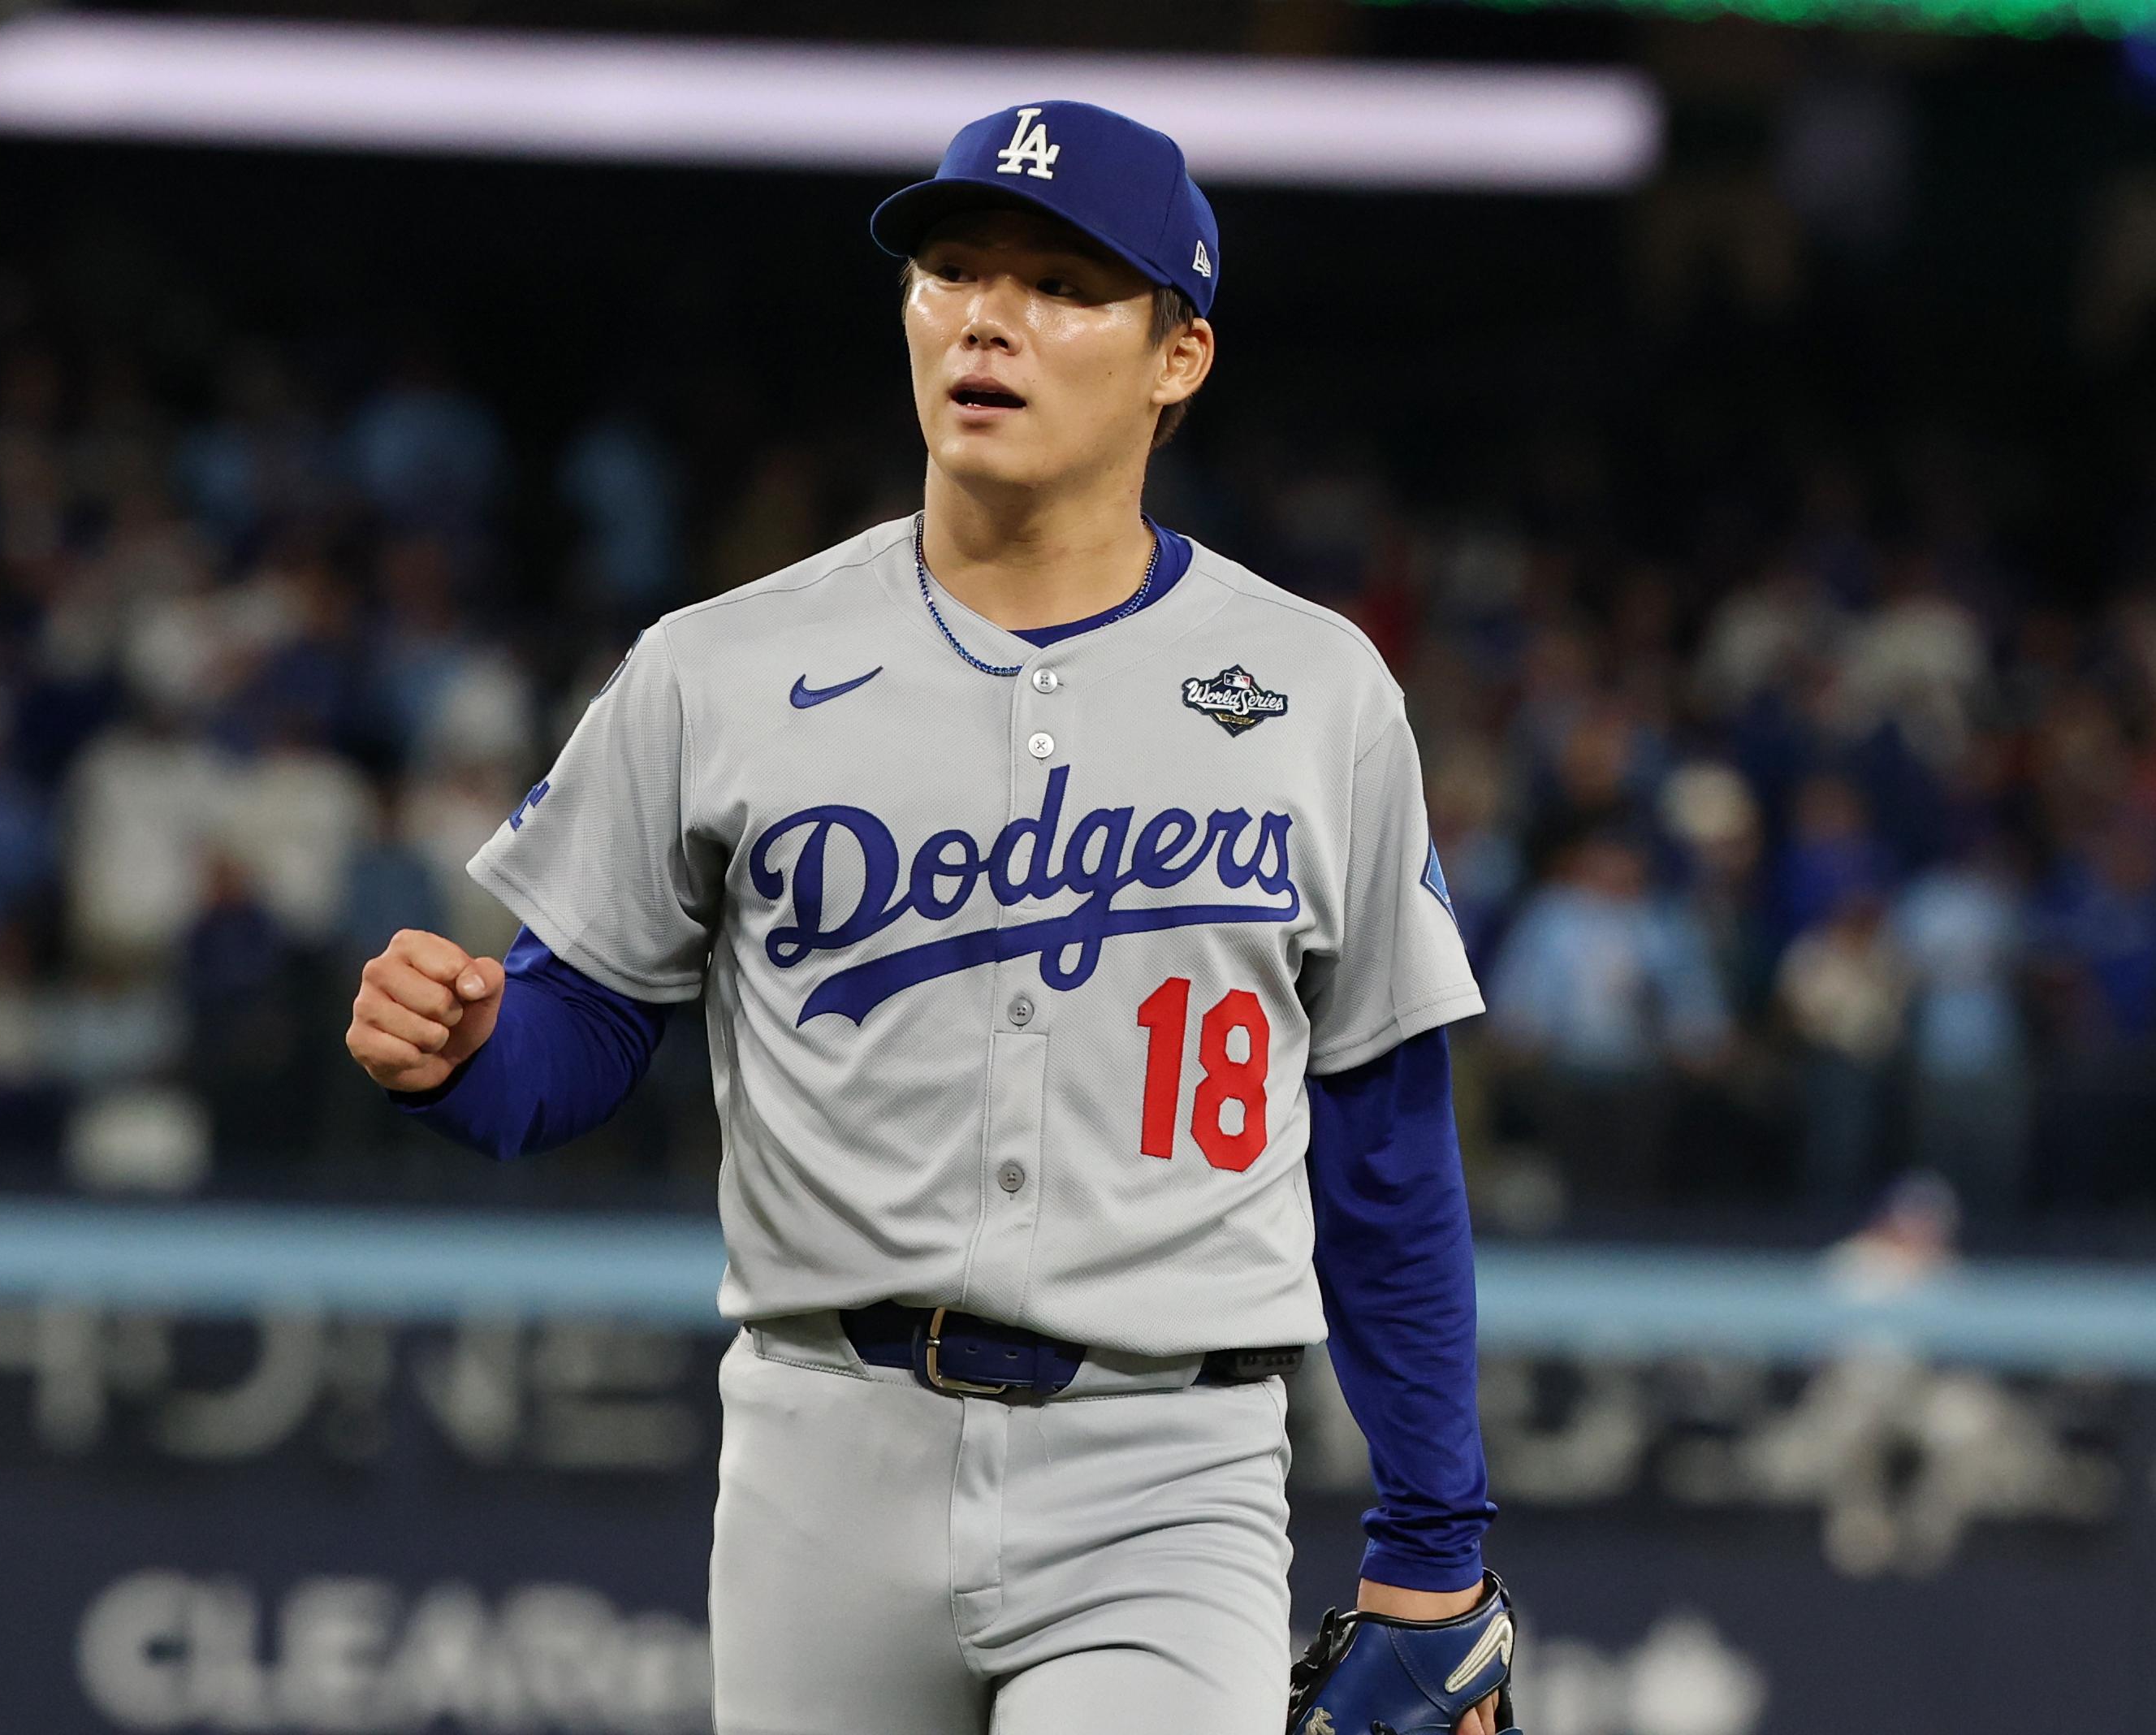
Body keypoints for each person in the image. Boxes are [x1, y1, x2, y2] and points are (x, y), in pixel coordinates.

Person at [344, 101, 1508, 1734]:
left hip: (1166, 1465)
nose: (988, 318)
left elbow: (1381, 1133)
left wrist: (1433, 1543)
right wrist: (468, 1056)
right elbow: (584, 1022)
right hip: (822, 1450)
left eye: (1063, 287)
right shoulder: (717, 666)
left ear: (1177, 357)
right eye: (953, 270)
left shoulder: (1316, 690)